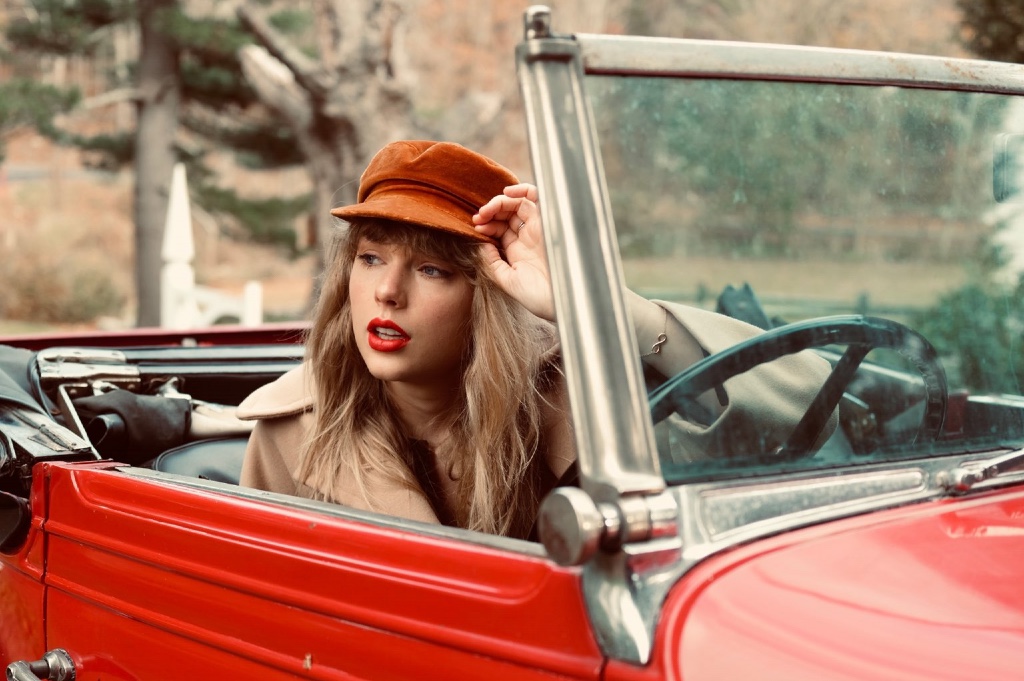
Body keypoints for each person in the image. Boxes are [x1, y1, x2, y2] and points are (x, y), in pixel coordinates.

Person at [237, 140, 834, 540]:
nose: (387, 292)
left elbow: (795, 415)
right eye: (370, 259)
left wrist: (587, 300)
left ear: (486, 296)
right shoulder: (293, 431)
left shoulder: (569, 395)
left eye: (431, 270)